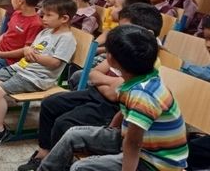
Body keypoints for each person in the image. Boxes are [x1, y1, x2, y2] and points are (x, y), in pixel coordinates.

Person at [18, 4, 163, 171]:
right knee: (51, 103)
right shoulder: (124, 51)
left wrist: (102, 82)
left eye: (126, 29)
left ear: (147, 34)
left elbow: (113, 96)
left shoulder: (141, 60)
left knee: (64, 123)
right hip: (99, 95)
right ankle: (45, 153)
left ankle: (61, 164)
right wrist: (108, 83)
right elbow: (93, 74)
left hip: (110, 106)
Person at [37, 24, 188, 171]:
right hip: (135, 140)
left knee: (81, 167)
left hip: (155, 162)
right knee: (72, 134)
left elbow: (133, 144)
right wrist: (112, 127)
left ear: (111, 59)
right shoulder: (143, 77)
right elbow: (125, 110)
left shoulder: (142, 96)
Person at [0, 0, 77, 149]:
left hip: (37, 78)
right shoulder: (46, 32)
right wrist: (27, 50)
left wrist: (32, 55)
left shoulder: (67, 39)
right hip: (21, 68)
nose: (43, 18)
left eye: (48, 15)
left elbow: (55, 63)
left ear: (64, 18)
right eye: (43, 14)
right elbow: (30, 49)